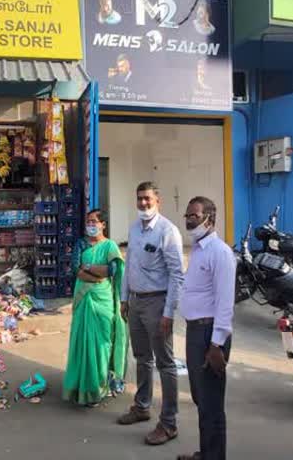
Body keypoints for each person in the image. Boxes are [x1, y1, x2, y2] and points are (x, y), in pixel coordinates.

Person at [118, 181, 185, 446]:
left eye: (148, 199)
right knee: (141, 357)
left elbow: (177, 275)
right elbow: (128, 266)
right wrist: (124, 298)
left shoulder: (168, 231)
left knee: (165, 364)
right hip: (136, 302)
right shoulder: (134, 229)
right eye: (139, 199)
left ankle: (169, 423)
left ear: (158, 201)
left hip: (158, 304)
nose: (143, 204)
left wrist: (169, 313)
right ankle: (142, 406)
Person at [177, 196, 235, 460]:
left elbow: (225, 302)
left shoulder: (220, 252)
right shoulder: (199, 249)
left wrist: (216, 345)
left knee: (211, 402)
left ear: (210, 219)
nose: (189, 220)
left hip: (210, 335)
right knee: (202, 399)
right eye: (188, 216)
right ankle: (207, 453)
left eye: (195, 216)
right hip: (195, 331)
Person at [63, 209, 128, 407]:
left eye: (94, 221)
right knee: (81, 342)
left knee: (103, 343)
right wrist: (98, 274)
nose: (90, 225)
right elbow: (76, 270)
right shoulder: (80, 244)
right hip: (83, 297)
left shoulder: (110, 246)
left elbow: (113, 270)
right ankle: (80, 386)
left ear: (103, 224)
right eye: (88, 221)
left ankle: (100, 385)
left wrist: (89, 267)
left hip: (104, 300)